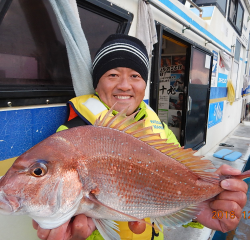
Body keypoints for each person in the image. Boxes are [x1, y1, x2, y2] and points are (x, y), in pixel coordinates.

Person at [33, 34, 248, 240]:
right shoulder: (65, 142)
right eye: (112, 75)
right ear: (96, 85)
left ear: (145, 86)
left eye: (135, 76)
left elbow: (181, 194)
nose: (125, 85)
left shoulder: (161, 132)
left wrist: (209, 210)